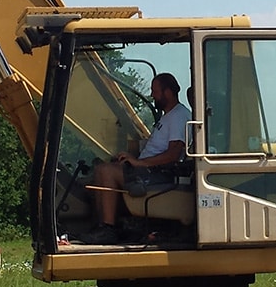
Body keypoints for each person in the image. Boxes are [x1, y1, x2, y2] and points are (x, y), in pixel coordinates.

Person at [76, 73, 190, 244]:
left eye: (155, 91)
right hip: (148, 169)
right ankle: (102, 226)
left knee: (106, 171)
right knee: (101, 168)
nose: (152, 95)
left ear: (168, 92)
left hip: (158, 174)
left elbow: (173, 155)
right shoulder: (168, 117)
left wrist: (140, 162)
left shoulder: (179, 116)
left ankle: (108, 229)